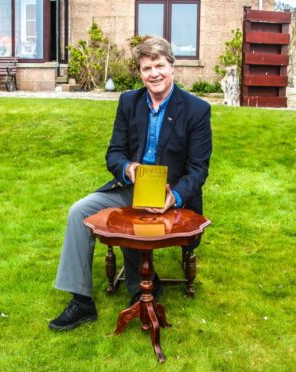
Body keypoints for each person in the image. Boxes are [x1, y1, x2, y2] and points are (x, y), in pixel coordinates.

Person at [49, 36, 212, 331]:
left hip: (171, 198)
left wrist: (174, 196)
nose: (154, 73)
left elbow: (198, 170)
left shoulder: (196, 109)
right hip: (129, 189)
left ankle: (143, 285)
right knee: (78, 211)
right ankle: (82, 301)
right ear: (140, 72)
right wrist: (128, 168)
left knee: (138, 223)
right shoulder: (129, 102)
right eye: (146, 67)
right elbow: (113, 153)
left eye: (159, 65)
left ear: (172, 66)